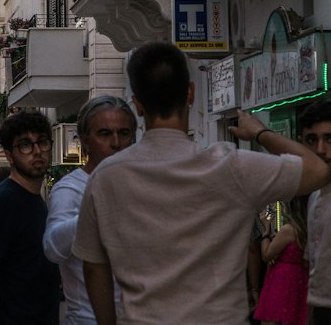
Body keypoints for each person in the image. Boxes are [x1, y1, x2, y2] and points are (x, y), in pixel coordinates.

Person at [73, 41, 331, 325]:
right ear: (190, 93)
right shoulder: (231, 167)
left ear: (137, 104)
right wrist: (259, 133)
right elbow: (318, 170)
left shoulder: (105, 177)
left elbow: (95, 268)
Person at [42, 95, 136, 325]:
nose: (116, 142)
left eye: (123, 133)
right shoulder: (70, 189)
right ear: (85, 141)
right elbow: (53, 248)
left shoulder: (140, 182)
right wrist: (96, 211)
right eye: (104, 134)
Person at [0, 109, 61, 325]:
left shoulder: (36, 201)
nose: (37, 151)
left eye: (42, 142)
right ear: (9, 155)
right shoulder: (3, 202)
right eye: (25, 145)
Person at [254, 196, 308, 325]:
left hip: (281, 280)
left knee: (272, 318)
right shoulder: (307, 229)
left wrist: (266, 231)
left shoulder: (288, 230)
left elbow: (266, 254)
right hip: (301, 279)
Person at [300, 96, 331, 325]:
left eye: (329, 139)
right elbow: (314, 263)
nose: (321, 150)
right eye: (312, 140)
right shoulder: (314, 196)